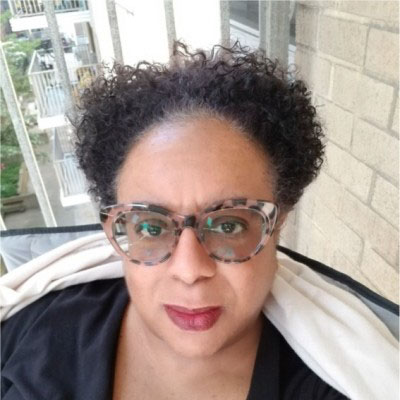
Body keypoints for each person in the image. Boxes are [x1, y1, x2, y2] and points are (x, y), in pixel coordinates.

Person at [2, 42, 385, 399]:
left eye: (229, 225)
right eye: (151, 227)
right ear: (114, 231)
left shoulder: (339, 385)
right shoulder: (36, 328)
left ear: (277, 224)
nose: (189, 270)